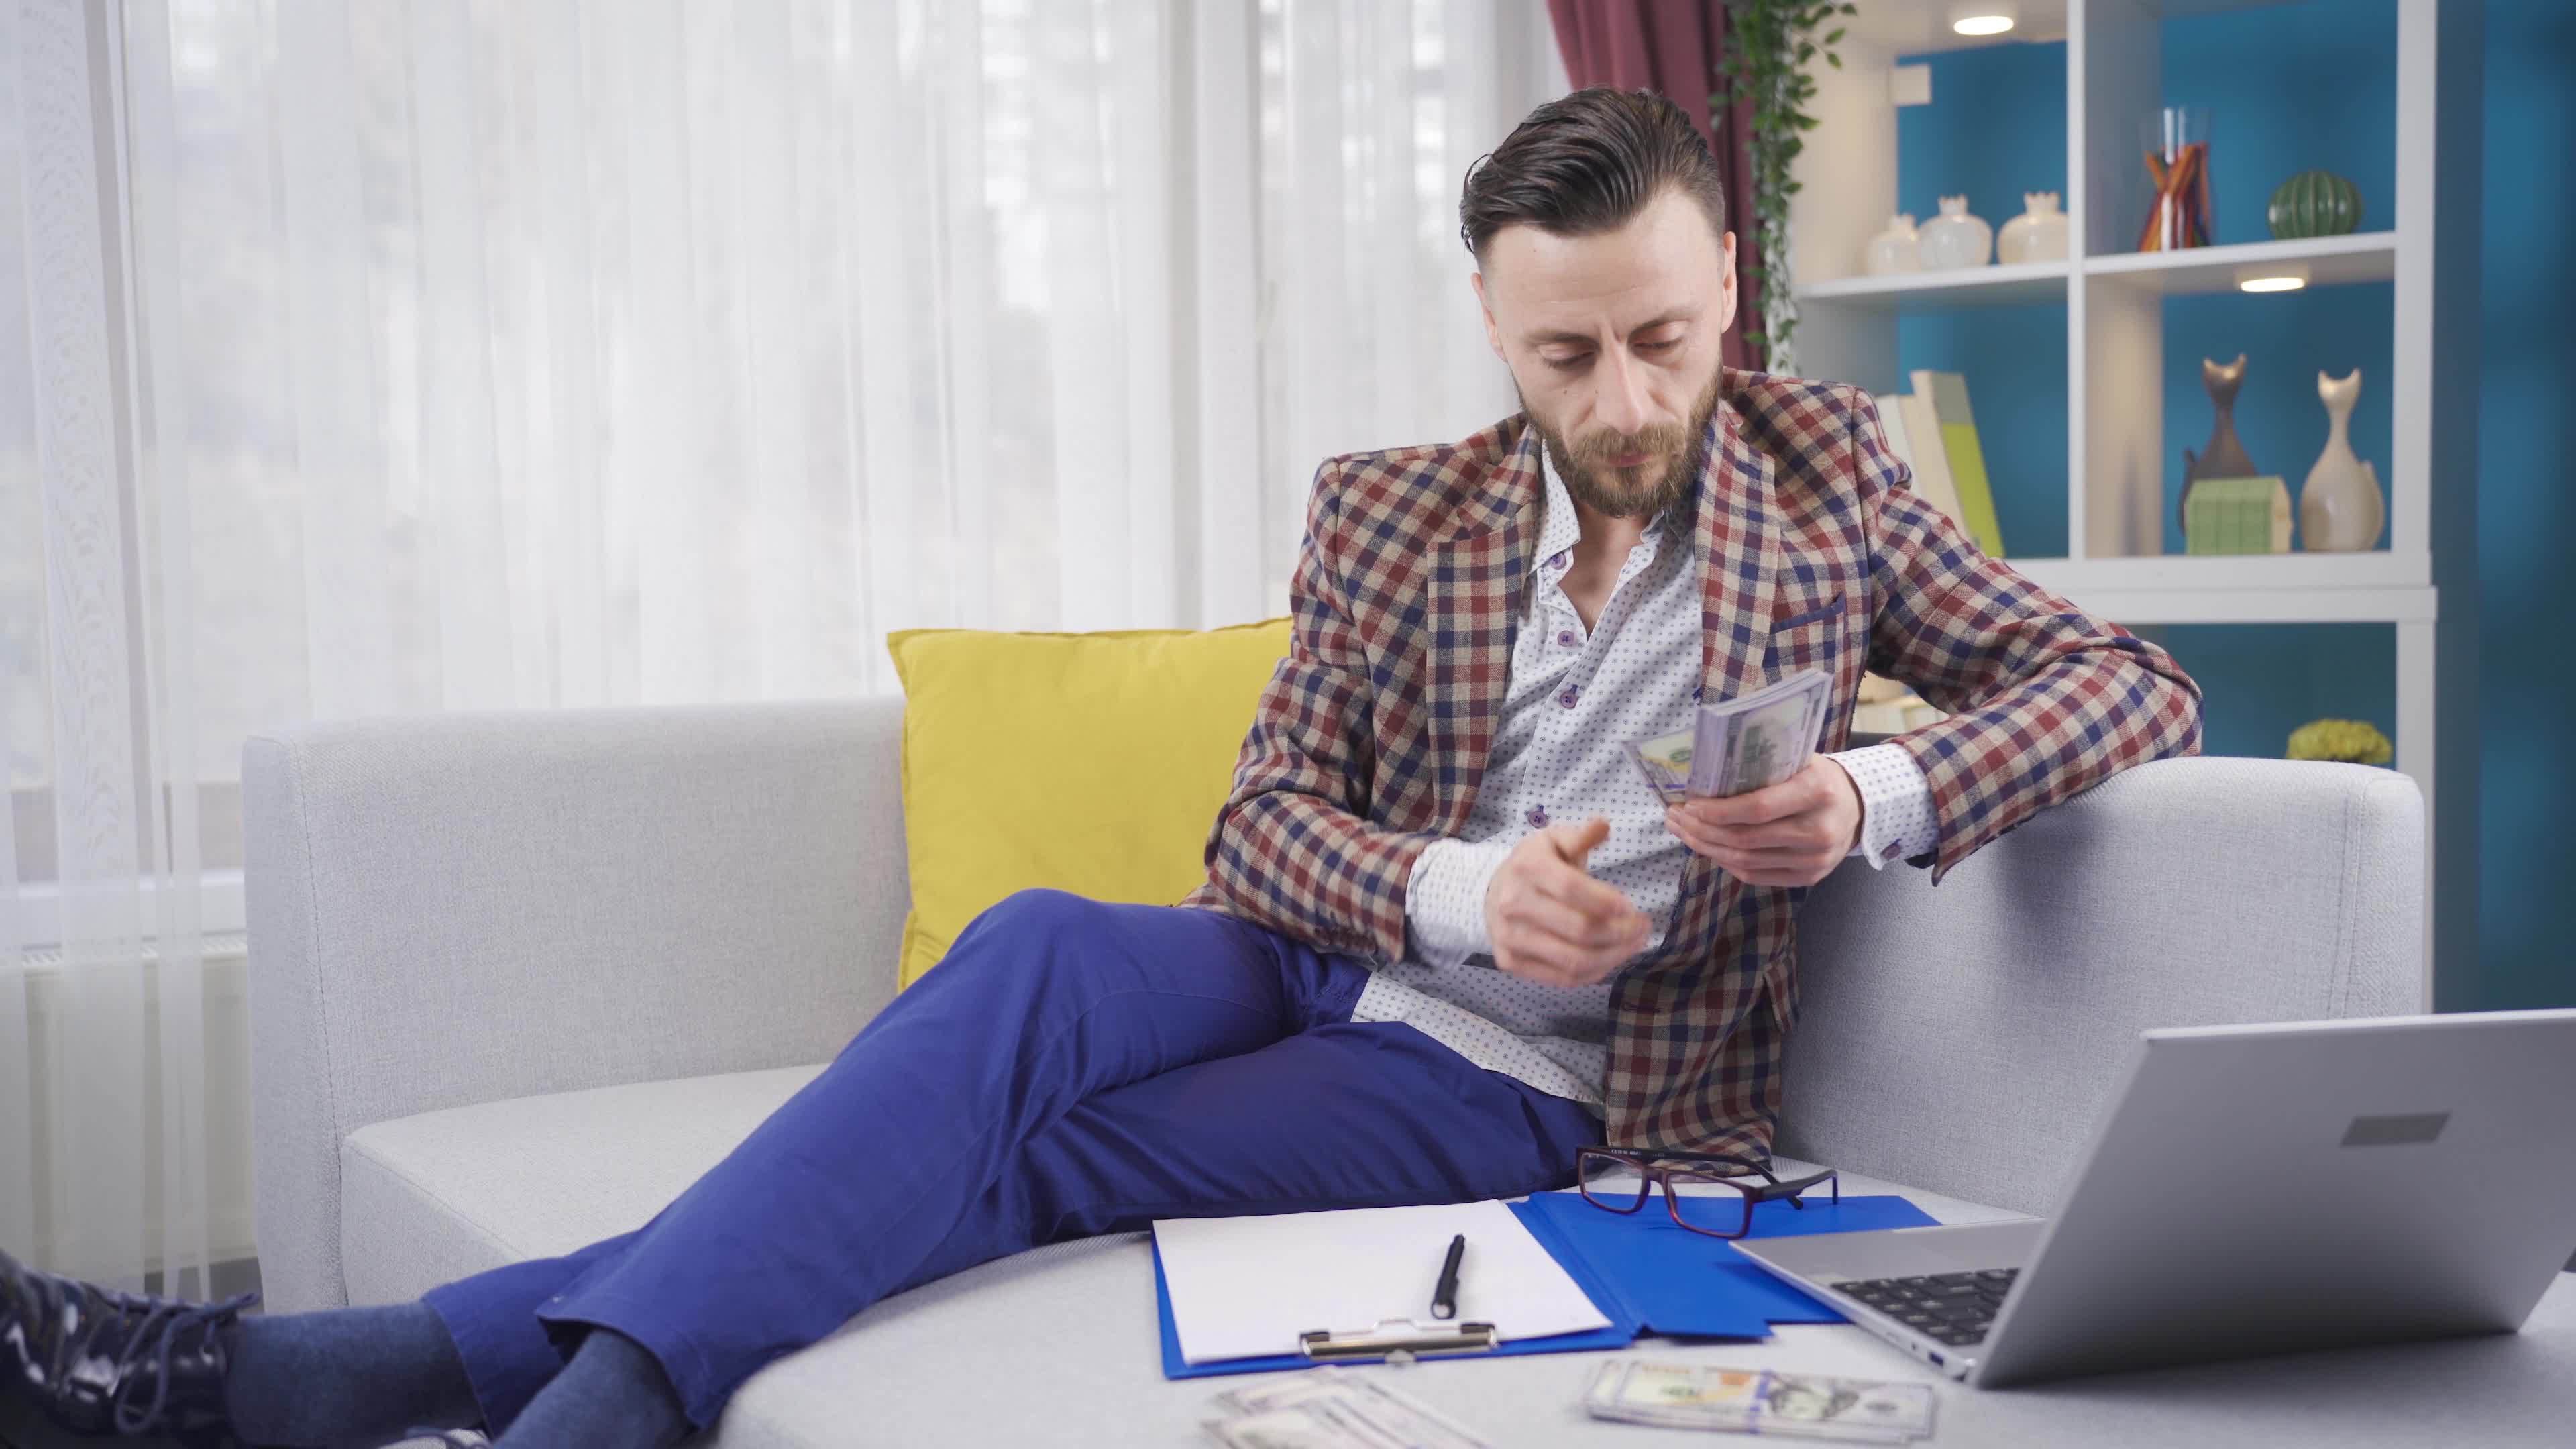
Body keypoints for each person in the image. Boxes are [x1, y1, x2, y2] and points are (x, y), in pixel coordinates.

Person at [0, 86, 2200, 1448]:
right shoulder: (1396, 508)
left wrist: (1873, 802)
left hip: (1527, 1078)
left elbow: (2124, 683)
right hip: (1334, 951)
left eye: (1664, 335)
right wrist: (1452, 883)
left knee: (1033, 1161)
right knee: (1040, 956)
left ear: (1733, 281)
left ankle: (312, 1385)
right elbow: (1260, 830)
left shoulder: (1835, 485)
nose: (1625, 397)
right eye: (1565, 351)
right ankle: (378, 1393)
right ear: (1487, 323)